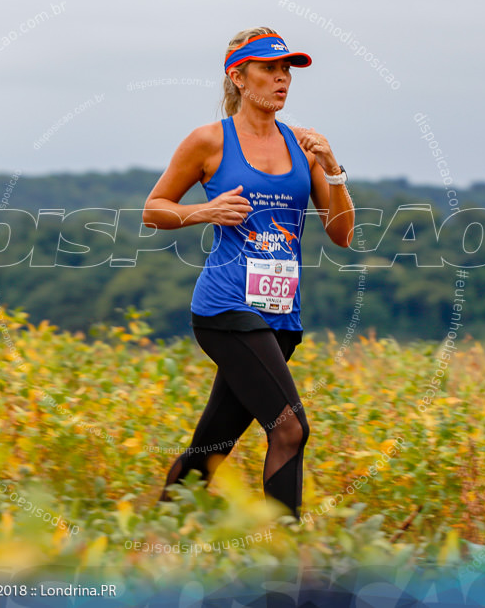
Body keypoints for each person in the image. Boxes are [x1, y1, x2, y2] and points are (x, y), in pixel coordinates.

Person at [143, 27, 355, 520]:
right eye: (269, 69)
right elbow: (153, 209)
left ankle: (158, 535)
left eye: (287, 70)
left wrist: (331, 165)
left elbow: (342, 233)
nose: (281, 79)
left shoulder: (303, 146)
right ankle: (286, 569)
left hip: (280, 316)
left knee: (212, 444)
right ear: (238, 76)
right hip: (226, 307)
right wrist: (205, 211)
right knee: (290, 428)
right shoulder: (208, 141)